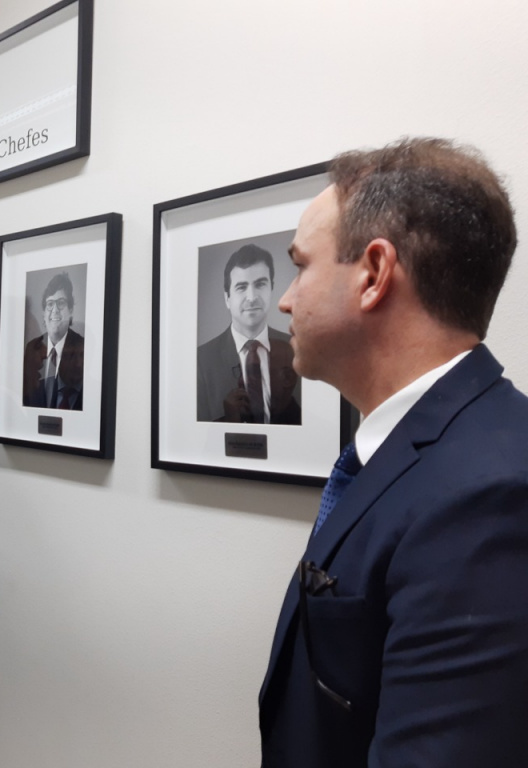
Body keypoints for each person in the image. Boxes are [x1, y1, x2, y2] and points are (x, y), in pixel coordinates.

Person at [259, 137, 528, 767]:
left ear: (374, 274)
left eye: (301, 266)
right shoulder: (417, 449)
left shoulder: (490, 495)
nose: (285, 300)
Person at [196, 244, 301, 424]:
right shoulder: (201, 361)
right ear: (227, 298)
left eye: (260, 284)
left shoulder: (296, 349)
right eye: (241, 287)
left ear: (271, 289)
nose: (251, 297)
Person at [22, 271, 85, 410]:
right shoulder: (32, 348)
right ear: (44, 313)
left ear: (70, 310)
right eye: (50, 304)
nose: (55, 310)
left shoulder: (81, 347)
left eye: (61, 303)